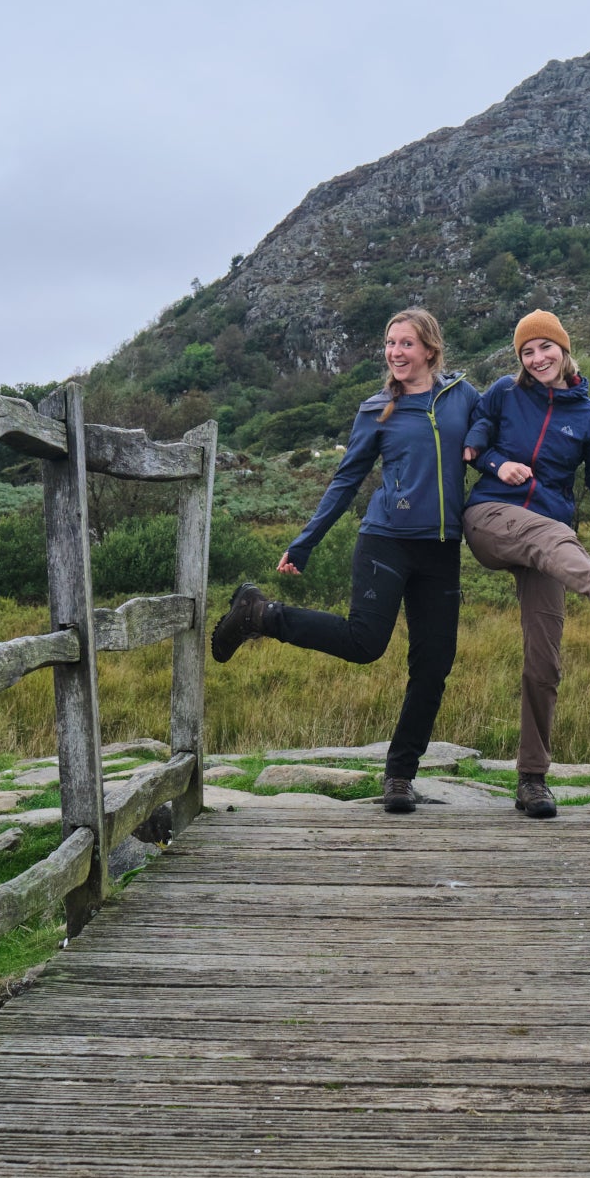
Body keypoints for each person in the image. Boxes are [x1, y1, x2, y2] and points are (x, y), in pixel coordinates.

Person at [208, 308, 477, 816]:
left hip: (441, 550)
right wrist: (305, 541)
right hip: (387, 540)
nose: (395, 352)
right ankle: (260, 615)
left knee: (434, 665)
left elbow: (494, 437)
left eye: (406, 344)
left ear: (430, 350)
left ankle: (400, 775)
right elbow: (346, 479)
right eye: (390, 343)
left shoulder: (463, 397)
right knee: (364, 643)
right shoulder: (377, 409)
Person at [460, 309, 590, 820]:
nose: (537, 358)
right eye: (527, 352)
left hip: (550, 545)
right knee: (555, 535)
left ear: (564, 349)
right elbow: (474, 441)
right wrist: (494, 463)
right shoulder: (505, 393)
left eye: (545, 348)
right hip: (492, 516)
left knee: (545, 661)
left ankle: (532, 779)